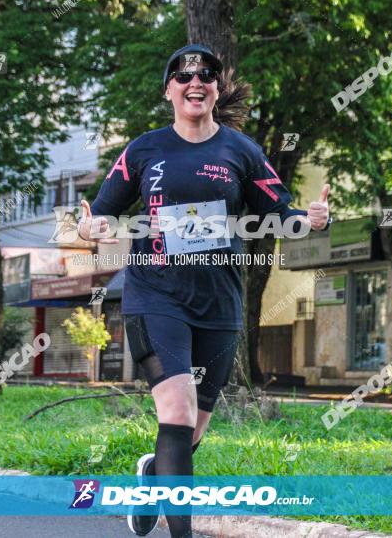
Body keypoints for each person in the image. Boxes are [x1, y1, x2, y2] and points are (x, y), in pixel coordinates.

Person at [78, 44, 330, 538]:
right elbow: (101, 213)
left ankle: (154, 478)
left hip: (219, 302)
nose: (196, 81)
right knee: (176, 411)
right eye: (183, 74)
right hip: (156, 296)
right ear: (169, 89)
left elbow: (282, 214)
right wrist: (93, 230)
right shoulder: (144, 150)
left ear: (216, 87)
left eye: (206, 73)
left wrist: (311, 219)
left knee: (191, 432)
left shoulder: (241, 151)